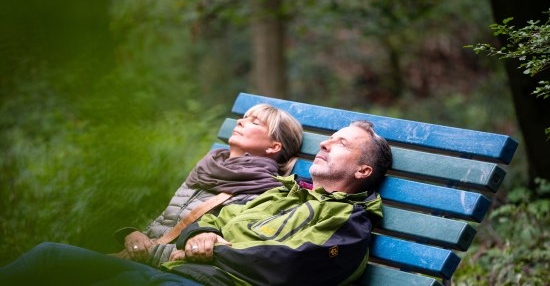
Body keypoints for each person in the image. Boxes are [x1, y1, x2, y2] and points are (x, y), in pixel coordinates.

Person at [0, 120, 392, 286]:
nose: (324, 143)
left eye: (341, 143)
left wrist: (206, 253)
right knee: (50, 256)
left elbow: (292, 266)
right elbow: (212, 219)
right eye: (328, 138)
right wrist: (204, 232)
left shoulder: (348, 222)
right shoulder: (281, 192)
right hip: (178, 273)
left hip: (205, 282)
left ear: (361, 171)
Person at [115, 103, 304, 267]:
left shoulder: (262, 193)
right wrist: (130, 235)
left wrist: (143, 253)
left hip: (164, 269)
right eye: (244, 118)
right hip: (138, 258)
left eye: (254, 122)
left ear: (273, 147)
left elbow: (217, 248)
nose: (240, 122)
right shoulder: (205, 170)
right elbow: (166, 223)